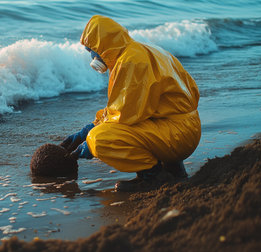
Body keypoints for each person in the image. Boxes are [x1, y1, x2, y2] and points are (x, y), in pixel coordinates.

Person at [61, 15, 201, 192]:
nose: (92, 56)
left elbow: (126, 116)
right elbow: (132, 108)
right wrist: (90, 127)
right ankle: (174, 168)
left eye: (91, 50)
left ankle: (154, 177)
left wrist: (90, 139)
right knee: (107, 129)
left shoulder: (131, 61)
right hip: (183, 128)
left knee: (100, 139)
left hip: (178, 135)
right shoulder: (143, 50)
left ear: (102, 44)